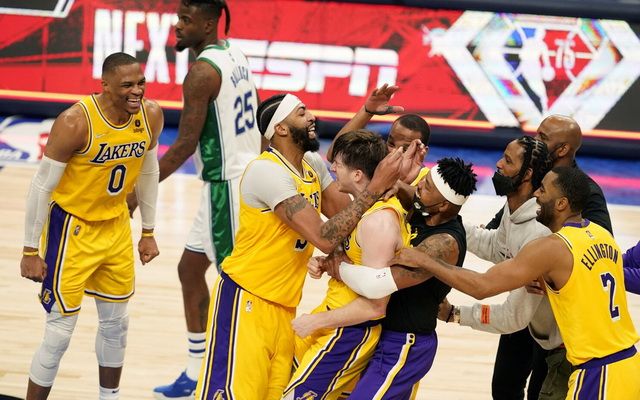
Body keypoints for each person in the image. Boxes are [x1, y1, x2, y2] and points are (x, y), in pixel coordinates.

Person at [194, 93, 409, 400]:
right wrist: (374, 188)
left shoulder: (311, 164)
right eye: (301, 112)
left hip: (285, 307)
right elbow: (324, 236)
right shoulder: (267, 171)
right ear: (280, 128)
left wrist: (366, 113)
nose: (311, 117)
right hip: (246, 299)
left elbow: (346, 209)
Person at [392, 166, 640, 399]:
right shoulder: (601, 235)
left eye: (543, 190)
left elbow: (482, 286)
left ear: (561, 203)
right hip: (628, 362)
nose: (536, 195)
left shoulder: (551, 248)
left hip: (599, 371)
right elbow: (591, 280)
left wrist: (426, 261)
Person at [137, 2, 264, 398]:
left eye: (186, 20)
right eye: (178, 18)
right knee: (190, 270)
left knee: (237, 287)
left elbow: (184, 144)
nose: (177, 26)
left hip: (229, 186)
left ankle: (236, 374)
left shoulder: (201, 73)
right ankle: (197, 370)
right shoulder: (233, 52)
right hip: (232, 180)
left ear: (208, 24)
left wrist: (139, 192)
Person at [20, 52, 163, 400]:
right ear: (105, 85)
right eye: (127, 85)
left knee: (117, 325)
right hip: (72, 229)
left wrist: (148, 231)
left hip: (115, 225)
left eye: (141, 83)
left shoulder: (151, 115)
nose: (137, 91)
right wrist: (29, 249)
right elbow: (41, 187)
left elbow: (149, 172)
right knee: (59, 333)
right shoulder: (75, 122)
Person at [321, 157, 477, 398]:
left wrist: (338, 266)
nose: (419, 186)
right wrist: (395, 181)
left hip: (405, 343)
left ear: (444, 205)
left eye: (426, 186)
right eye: (424, 180)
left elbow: (376, 284)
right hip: (384, 334)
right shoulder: (427, 206)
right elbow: (403, 187)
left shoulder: (443, 244)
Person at [482, 115, 613, 399]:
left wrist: (546, 271)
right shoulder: (531, 179)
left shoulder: (584, 191)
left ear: (563, 149)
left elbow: (600, 248)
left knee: (540, 392)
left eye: (542, 137)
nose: (535, 141)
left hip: (558, 317)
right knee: (503, 387)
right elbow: (499, 232)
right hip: (524, 304)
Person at [282, 130, 413, 399]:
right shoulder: (363, 208)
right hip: (335, 316)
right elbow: (358, 261)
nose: (332, 168)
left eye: (338, 165)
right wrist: (327, 263)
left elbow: (376, 305)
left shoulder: (378, 222)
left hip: (349, 330)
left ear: (357, 175)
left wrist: (316, 321)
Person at [446, 136, 555, 400]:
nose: (498, 164)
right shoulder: (515, 207)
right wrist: (449, 225)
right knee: (505, 389)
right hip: (531, 322)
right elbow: (497, 248)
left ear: (527, 174)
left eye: (508, 160)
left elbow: (510, 317)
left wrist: (454, 314)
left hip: (561, 342)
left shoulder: (538, 232)